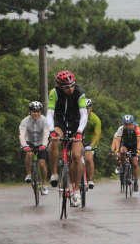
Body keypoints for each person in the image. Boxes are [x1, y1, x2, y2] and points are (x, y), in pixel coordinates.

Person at [46, 70, 87, 207]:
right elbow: (50, 114)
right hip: (61, 123)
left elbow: (84, 115)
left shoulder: (79, 93)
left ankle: (76, 191)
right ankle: (54, 174)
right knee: (54, 140)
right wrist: (52, 131)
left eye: (72, 85)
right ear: (60, 87)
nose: (70, 89)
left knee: (76, 155)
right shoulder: (54, 92)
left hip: (76, 124)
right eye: (66, 87)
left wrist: (80, 132)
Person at [19, 101, 50, 195]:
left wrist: (44, 145)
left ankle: (44, 185)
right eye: (34, 111)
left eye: (38, 111)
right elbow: (22, 135)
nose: (36, 113)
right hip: (30, 142)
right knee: (29, 154)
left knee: (42, 163)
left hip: (41, 143)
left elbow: (46, 133)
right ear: (30, 111)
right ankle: (29, 174)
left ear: (40, 112)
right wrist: (24, 146)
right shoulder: (25, 121)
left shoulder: (44, 120)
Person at [111, 114, 140, 192]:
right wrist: (117, 150)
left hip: (134, 145)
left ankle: (136, 182)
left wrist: (138, 150)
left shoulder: (137, 129)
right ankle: (124, 167)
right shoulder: (121, 129)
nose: (128, 126)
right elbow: (118, 140)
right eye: (126, 125)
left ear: (132, 123)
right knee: (122, 152)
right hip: (125, 144)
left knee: (135, 163)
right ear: (123, 124)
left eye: (129, 124)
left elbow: (139, 140)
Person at [83, 98, 101, 190]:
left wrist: (92, 145)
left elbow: (97, 135)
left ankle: (90, 179)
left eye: (88, 108)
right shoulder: (77, 117)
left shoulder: (95, 119)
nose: (86, 111)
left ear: (91, 109)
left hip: (90, 142)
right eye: (84, 108)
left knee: (89, 158)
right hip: (78, 140)